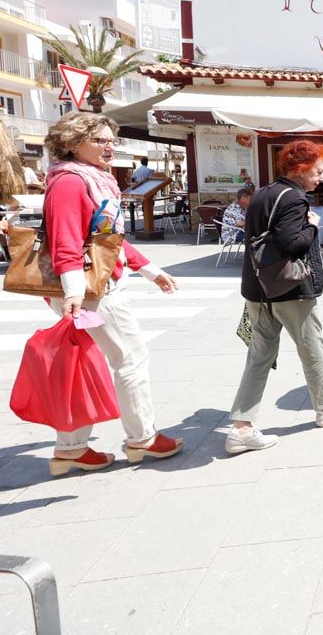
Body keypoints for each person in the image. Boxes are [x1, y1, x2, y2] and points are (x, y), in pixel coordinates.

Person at [39, 112, 185, 476]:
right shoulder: (72, 183)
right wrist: (74, 290)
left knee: (83, 363)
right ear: (72, 144)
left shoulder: (91, 180)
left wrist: (150, 271)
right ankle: (143, 438)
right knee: (131, 358)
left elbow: (110, 239)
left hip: (87, 286)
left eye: (111, 140)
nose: (109, 146)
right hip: (93, 290)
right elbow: (66, 239)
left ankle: (70, 447)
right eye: (99, 140)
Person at [227, 140, 323, 454]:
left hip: (258, 289)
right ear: (299, 169)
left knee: (259, 356)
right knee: (312, 348)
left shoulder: (263, 193)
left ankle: (241, 426)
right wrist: (313, 226)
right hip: (289, 290)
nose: (321, 178)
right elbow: (291, 243)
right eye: (317, 171)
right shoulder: (295, 199)